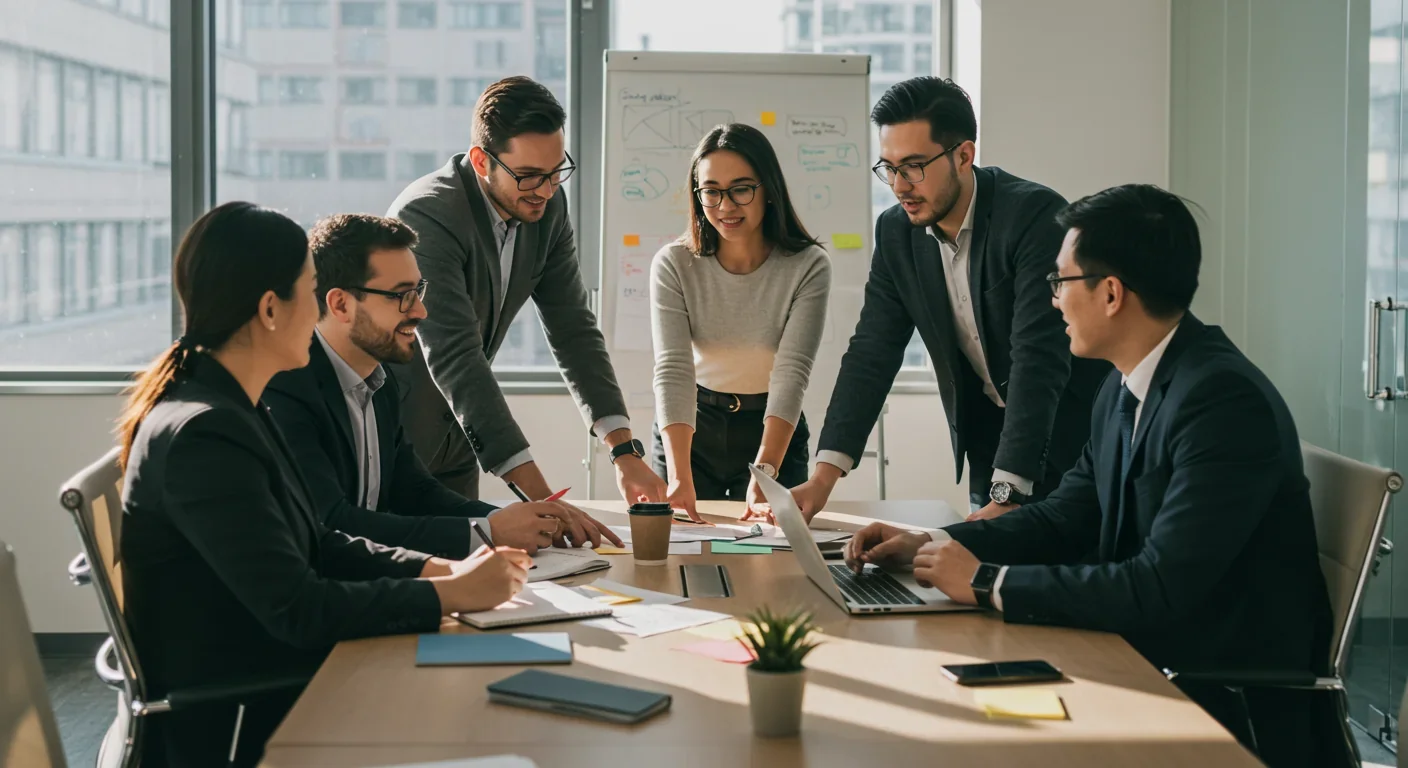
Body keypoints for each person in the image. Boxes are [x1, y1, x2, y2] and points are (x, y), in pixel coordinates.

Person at [843, 185, 1335, 768]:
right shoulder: (1124, 386)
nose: (1052, 300)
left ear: (1110, 294)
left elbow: (1159, 587)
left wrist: (985, 583)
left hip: (1216, 697)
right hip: (1141, 655)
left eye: (1060, 282)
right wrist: (936, 545)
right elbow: (1067, 515)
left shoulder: (1222, 402)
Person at [118, 202, 532, 767]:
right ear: (270, 309)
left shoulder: (235, 408)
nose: (322, 312)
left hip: (281, 682)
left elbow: (316, 539)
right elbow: (299, 606)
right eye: (313, 292)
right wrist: (451, 594)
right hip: (241, 723)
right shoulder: (204, 433)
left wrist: (434, 570)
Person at [789, 77, 1108, 523]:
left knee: (1056, 578)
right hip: (989, 441)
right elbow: (872, 351)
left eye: (914, 166)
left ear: (963, 155)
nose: (899, 186)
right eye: (889, 167)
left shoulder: (1032, 217)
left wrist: (1009, 492)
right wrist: (823, 478)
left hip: (1072, 437)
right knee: (980, 579)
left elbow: (1037, 358)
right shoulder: (897, 232)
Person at [264, 213, 624, 558]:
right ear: (340, 304)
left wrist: (509, 520)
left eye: (419, 290)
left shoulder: (379, 381)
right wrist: (488, 533)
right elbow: (331, 523)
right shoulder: (286, 389)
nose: (420, 311)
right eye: (402, 295)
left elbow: (415, 492)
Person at [386, 75, 665, 505]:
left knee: (477, 566)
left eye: (557, 173)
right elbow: (456, 355)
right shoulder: (428, 213)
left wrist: (624, 453)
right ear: (482, 162)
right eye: (531, 176)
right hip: (396, 441)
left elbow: (572, 327)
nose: (548, 190)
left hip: (459, 445)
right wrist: (542, 498)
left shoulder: (547, 207)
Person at [649, 124, 831, 522]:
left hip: (772, 429)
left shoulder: (807, 266)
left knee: (774, 561)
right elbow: (674, 369)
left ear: (768, 190)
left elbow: (792, 371)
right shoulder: (674, 263)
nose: (725, 205)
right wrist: (679, 474)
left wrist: (765, 468)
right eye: (711, 191)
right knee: (682, 553)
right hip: (691, 429)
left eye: (741, 189)